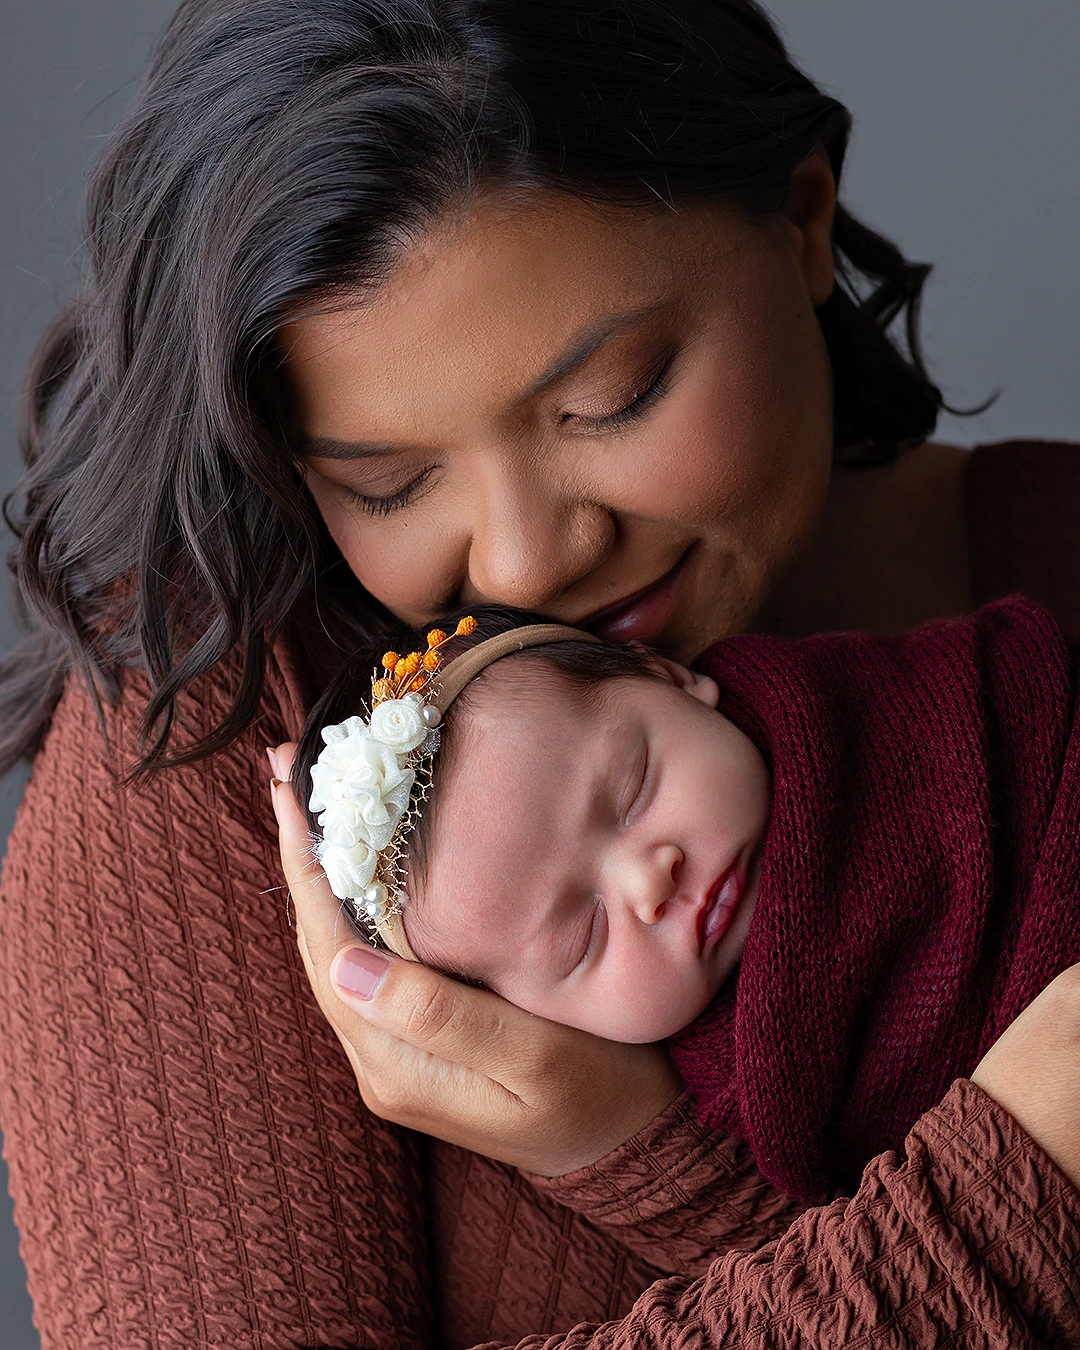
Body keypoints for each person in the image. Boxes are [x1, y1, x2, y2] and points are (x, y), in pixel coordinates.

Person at [1, 0, 1078, 1346]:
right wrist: (1033, 1163)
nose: (522, 560)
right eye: (387, 482)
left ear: (803, 219)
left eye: (612, 397)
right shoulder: (233, 749)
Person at [288, 596, 1080, 1204]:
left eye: (632, 791)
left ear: (669, 677)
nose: (649, 880)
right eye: (582, 937)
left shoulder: (908, 709)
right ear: (531, 1022)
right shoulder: (724, 1094)